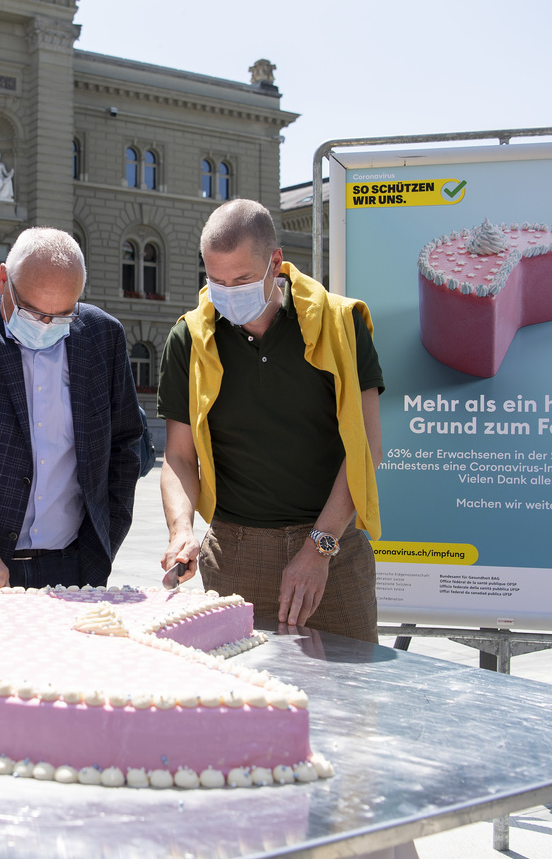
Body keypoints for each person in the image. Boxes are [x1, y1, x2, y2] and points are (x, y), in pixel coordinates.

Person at [157, 199, 384, 643]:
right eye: (216, 281)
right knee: (244, 701)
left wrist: (320, 547)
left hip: (332, 550)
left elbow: (367, 450)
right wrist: (182, 531)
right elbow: (180, 458)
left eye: (242, 280)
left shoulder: (341, 323)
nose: (227, 293)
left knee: (349, 704)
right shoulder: (189, 337)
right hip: (234, 554)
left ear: (275, 262)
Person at [0, 227, 141, 593]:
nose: (46, 325)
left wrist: (105, 539)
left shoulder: (103, 335)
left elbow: (125, 445)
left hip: (72, 567)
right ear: (3, 279)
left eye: (63, 315)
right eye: (33, 312)